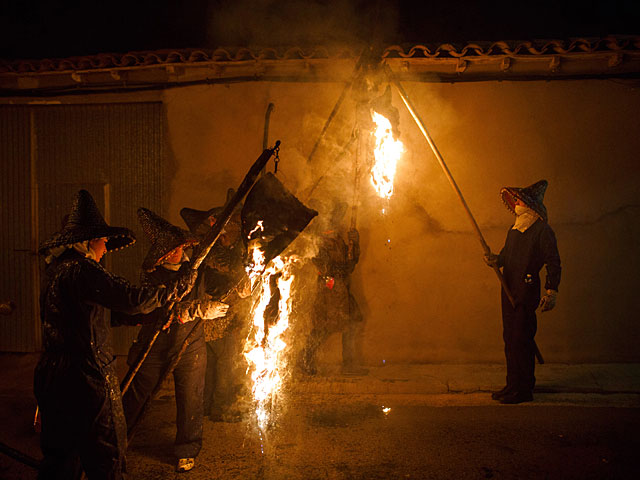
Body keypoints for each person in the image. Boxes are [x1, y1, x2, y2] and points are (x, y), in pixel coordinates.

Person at [34, 189, 196, 480]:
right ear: (88, 240)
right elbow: (131, 297)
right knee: (106, 457)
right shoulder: (83, 269)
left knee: (61, 458)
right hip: (85, 377)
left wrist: (147, 317)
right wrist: (175, 288)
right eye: (104, 241)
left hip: (52, 375)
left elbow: (94, 313)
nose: (106, 248)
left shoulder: (56, 270)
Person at [121, 208, 228, 473]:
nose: (174, 252)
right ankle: (115, 442)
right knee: (135, 395)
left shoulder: (197, 269)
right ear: (160, 254)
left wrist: (247, 283)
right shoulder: (151, 276)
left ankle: (187, 449)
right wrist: (196, 310)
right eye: (168, 250)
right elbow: (155, 308)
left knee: (191, 397)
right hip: (154, 345)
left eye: (177, 247)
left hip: (191, 343)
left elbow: (223, 284)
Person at [484, 180, 561, 404]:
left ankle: (524, 389)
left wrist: (551, 291)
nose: (515, 203)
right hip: (508, 288)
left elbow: (553, 262)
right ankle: (512, 385)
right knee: (509, 338)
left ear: (529, 205)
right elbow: (506, 256)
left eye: (518, 200)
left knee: (522, 338)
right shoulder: (515, 229)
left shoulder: (542, 231)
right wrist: (494, 260)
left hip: (526, 291)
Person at [180, 192, 251, 422]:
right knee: (226, 362)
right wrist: (242, 274)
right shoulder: (208, 246)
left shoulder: (227, 245)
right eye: (233, 223)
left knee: (219, 362)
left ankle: (209, 406)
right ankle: (223, 408)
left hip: (225, 315)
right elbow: (227, 268)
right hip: (214, 315)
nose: (236, 228)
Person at [298, 200, 367, 376]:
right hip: (329, 290)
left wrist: (354, 244)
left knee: (353, 321)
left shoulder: (338, 239)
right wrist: (335, 275)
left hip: (342, 288)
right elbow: (321, 264)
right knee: (323, 327)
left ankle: (349, 364)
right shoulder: (321, 240)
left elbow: (350, 264)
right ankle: (305, 359)